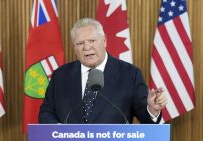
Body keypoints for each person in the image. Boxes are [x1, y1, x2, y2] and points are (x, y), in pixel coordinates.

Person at [39, 18, 167, 124]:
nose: (87, 47)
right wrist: (58, 131)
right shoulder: (60, 75)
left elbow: (146, 119)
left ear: (104, 41)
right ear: (74, 47)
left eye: (92, 41)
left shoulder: (130, 74)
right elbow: (46, 112)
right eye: (80, 43)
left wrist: (152, 110)